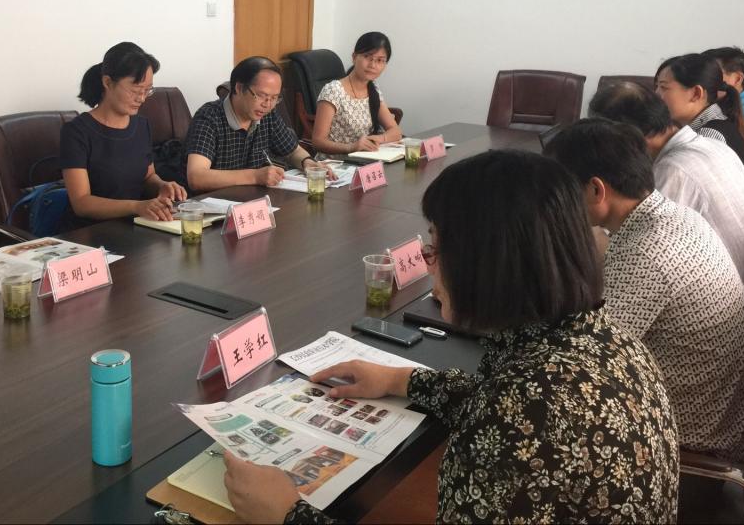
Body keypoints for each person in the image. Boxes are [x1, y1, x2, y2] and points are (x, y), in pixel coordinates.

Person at [223, 150, 678, 523]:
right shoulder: (605, 341)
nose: (428, 263)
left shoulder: (522, 409)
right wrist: (399, 380)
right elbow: (507, 405)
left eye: (437, 247)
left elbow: (515, 417)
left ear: (486, 263)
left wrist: (287, 514)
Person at [545, 119, 744, 463]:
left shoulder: (645, 252)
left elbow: (585, 362)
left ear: (596, 190)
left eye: (561, 194)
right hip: (722, 420)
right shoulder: (674, 216)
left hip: (692, 444)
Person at [589, 81, 744, 318]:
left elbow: (639, 253)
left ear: (628, 139)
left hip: (742, 309)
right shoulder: (710, 144)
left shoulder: (674, 170)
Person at [61, 42, 185, 223]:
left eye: (147, 90)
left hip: (138, 224)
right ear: (107, 82)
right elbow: (81, 203)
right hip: (92, 231)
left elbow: (148, 176)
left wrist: (161, 186)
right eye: (135, 90)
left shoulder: (141, 125)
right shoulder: (76, 132)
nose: (142, 98)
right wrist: (136, 206)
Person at [185, 56, 332, 192]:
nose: (267, 105)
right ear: (239, 88)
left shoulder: (266, 114)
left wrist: (307, 162)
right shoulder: (209, 117)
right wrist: (255, 176)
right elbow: (196, 177)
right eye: (262, 96)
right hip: (213, 203)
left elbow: (293, 151)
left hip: (252, 200)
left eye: (274, 98)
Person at [655, 53, 744, 188]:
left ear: (696, 93)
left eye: (664, 87)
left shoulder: (708, 137)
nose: (656, 95)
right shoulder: (714, 124)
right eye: (656, 87)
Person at [311, 32, 403, 155]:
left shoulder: (373, 88)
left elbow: (396, 131)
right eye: (367, 57)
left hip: (365, 159)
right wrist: (351, 147)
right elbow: (318, 141)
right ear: (354, 57)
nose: (373, 65)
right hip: (335, 162)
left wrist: (379, 139)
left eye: (380, 60)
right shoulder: (333, 91)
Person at [704, 46, 744, 197]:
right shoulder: (721, 108)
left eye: (713, 74)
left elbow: (723, 158)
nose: (704, 80)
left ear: (737, 78)